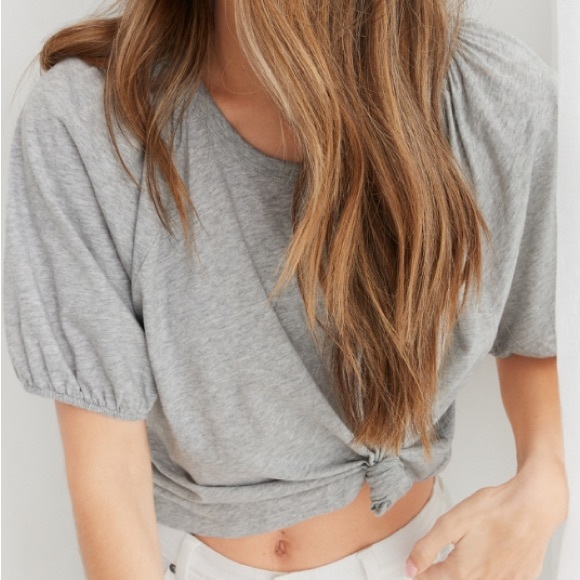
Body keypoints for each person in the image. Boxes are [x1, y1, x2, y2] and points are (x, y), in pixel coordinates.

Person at [2, 0, 568, 578]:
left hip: (416, 560)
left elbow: (539, 325)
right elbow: (111, 476)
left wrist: (547, 479)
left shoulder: (491, 97)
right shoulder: (91, 121)